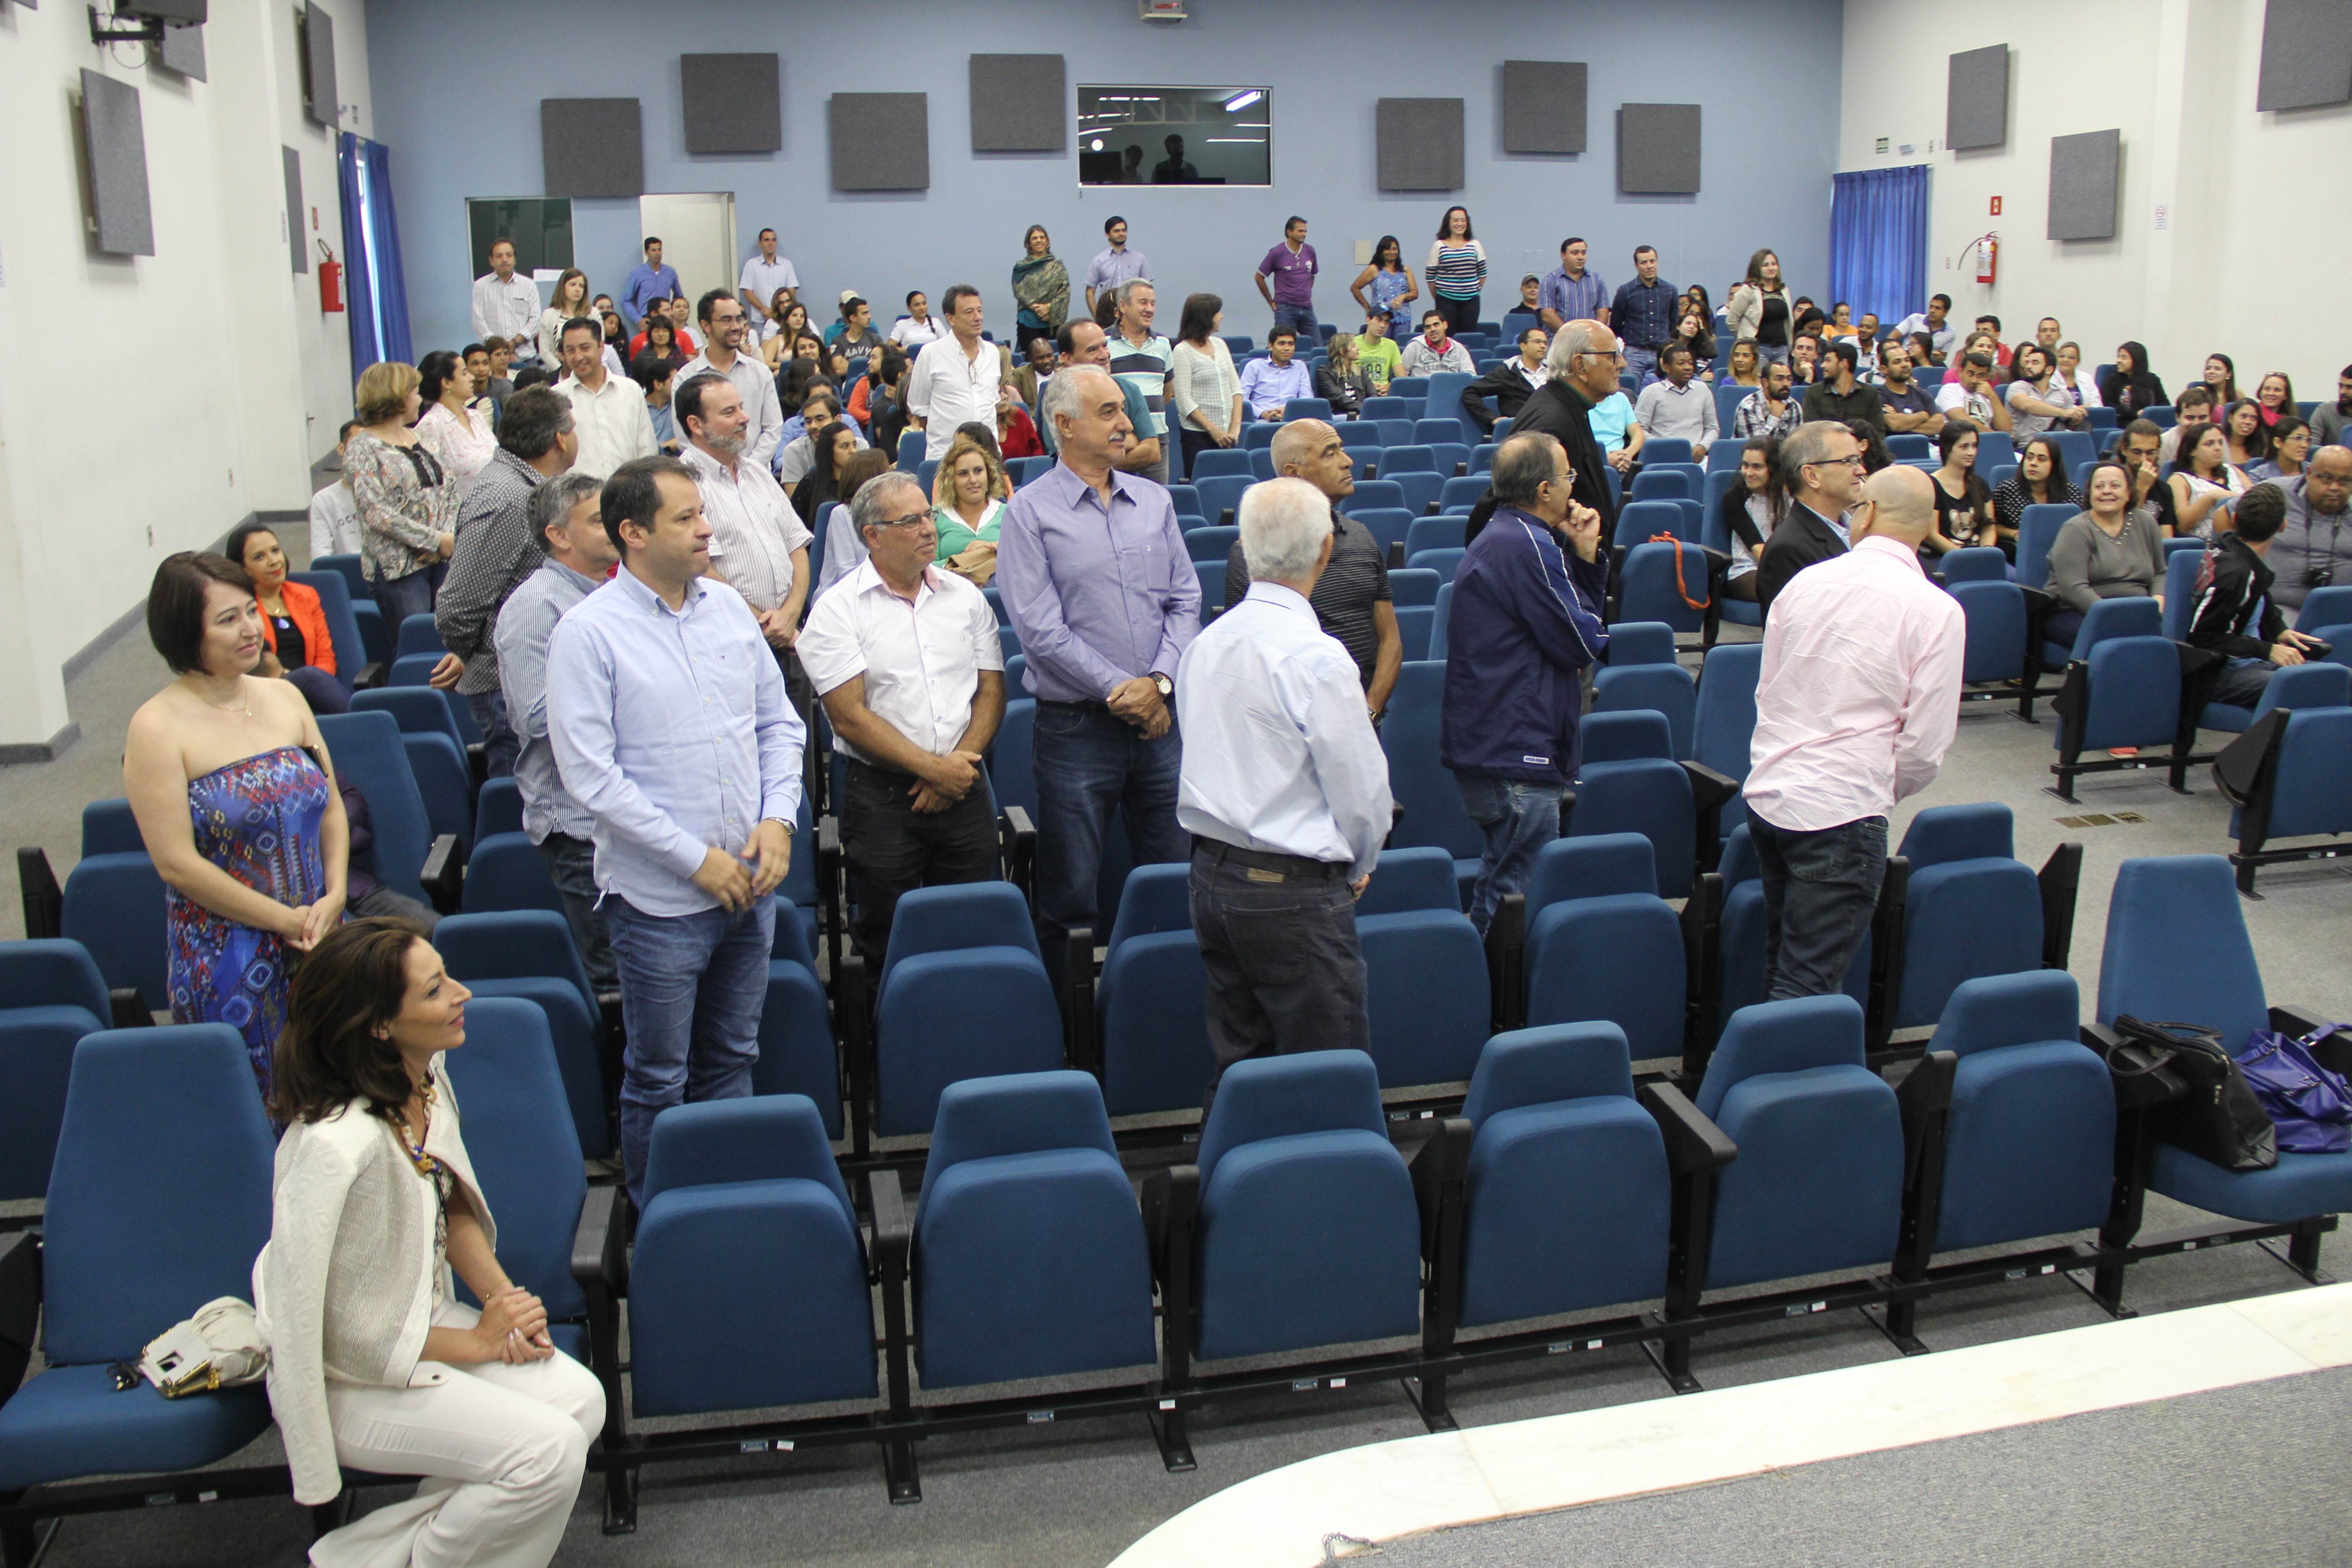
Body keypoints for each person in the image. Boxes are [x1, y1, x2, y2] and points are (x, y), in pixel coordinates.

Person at [257, 920, 603, 1568]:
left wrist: (505, 1305)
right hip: (348, 1381)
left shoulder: (424, 1080)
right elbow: (335, 1336)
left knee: (580, 1401)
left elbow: (451, 1203)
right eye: (436, 989)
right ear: (379, 1026)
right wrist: (478, 1342)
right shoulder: (334, 1147)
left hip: (421, 1325)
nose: (463, 994)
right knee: (546, 1452)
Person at [546, 456, 805, 1204]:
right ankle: (662, 1220)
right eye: (686, 518)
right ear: (633, 533)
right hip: (660, 904)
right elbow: (591, 777)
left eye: (702, 514)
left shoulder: (726, 609)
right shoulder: (588, 633)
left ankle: (728, 1207)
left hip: (749, 885)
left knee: (734, 1056)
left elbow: (779, 725)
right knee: (659, 1075)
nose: (706, 530)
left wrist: (778, 818)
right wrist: (696, 861)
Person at [1178, 477, 1390, 1092]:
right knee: (1327, 1082)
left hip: (1213, 878)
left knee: (1242, 1073)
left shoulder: (1206, 644)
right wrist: (1360, 864)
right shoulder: (1317, 658)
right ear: (1326, 549)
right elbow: (1362, 795)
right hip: (1291, 893)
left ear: (1246, 548)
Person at [999, 367, 1199, 974]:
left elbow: (1186, 601)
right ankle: (1073, 1023)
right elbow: (1039, 629)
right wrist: (1123, 690)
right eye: (1109, 411)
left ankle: (1163, 1007)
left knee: (1176, 883)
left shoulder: (1155, 501)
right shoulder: (1029, 513)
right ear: (1064, 423)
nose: (1126, 423)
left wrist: (1159, 684)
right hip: (1076, 732)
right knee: (1070, 898)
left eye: (1125, 410)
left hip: (1162, 724)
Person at [126, 552, 348, 1096]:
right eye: (228, 620)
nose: (252, 629)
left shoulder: (286, 695)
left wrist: (337, 894)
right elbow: (177, 865)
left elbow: (331, 806)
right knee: (262, 1108)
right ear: (185, 633)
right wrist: (284, 920)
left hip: (321, 932)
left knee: (342, 1094)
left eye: (251, 611)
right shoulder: (156, 727)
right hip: (228, 954)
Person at [1745, 465, 1960, 999]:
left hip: (1773, 792)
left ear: (1866, 515)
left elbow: (1768, 692)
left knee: (1782, 963)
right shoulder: (1938, 610)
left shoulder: (1805, 583)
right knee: (1805, 986)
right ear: (1928, 524)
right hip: (1843, 809)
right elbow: (1925, 746)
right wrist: (1875, 786)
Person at [798, 475, 1006, 967]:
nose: (929, 529)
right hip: (884, 799)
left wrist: (956, 767)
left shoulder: (964, 596)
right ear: (872, 535)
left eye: (928, 515)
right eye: (910, 521)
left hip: (966, 786)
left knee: (976, 931)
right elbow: (849, 718)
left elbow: (992, 690)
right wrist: (933, 771)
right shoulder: (837, 610)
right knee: (886, 942)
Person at [1440, 433, 1609, 935]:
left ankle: (1485, 978)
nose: (1574, 486)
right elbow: (1581, 642)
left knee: (1501, 880)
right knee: (1516, 892)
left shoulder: (1505, 535)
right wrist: (1586, 564)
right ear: (1544, 490)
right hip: (1516, 748)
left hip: (1499, 742)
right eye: (1568, 476)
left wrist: (1583, 556)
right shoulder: (1526, 544)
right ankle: (1499, 984)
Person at [494, 470, 620, 986]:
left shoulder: (611, 593)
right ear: (559, 535)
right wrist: (627, 697)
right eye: (599, 520)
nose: (615, 526)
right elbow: (534, 715)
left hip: (622, 816)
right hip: (579, 824)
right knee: (615, 977)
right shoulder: (536, 605)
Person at [434, 386, 579, 777]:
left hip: (528, 677)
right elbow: (458, 606)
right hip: (508, 685)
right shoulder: (507, 498)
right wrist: (469, 651)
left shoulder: (526, 489)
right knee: (523, 798)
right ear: (560, 439)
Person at [1222, 422, 1403, 719]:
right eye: (1330, 454)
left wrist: (1369, 711)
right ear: (1293, 473)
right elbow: (1247, 655)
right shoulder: (1251, 553)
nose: (1348, 461)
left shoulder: (1362, 537)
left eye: (1341, 449)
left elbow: (1390, 639)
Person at [678, 374, 815, 713]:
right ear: (696, 424)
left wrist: (790, 615)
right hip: (733, 646)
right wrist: (767, 624)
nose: (744, 418)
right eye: (729, 412)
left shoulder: (757, 472)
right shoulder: (682, 484)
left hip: (790, 638)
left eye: (741, 407)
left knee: (798, 742)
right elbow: (701, 569)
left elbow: (797, 547)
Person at [2186, 483, 2330, 708]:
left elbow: (2257, 594)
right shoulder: (2235, 574)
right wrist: (2268, 649)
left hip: (2250, 662)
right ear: (2283, 525)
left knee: (2340, 677)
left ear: (2235, 519)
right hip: (2219, 674)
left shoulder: (2237, 553)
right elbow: (2203, 638)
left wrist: (2278, 629)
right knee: (2317, 686)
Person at [346, 362, 459, 626]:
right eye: (415, 393)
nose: (420, 400)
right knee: (416, 640)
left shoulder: (424, 438)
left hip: (442, 559)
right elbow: (377, 512)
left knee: (450, 639)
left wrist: (445, 541)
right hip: (398, 568)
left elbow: (450, 493)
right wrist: (434, 541)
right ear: (396, 397)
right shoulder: (362, 447)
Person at [1504, 319, 1622, 538]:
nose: (1622, 364)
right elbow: (1531, 522)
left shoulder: (1567, 405)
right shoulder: (1550, 424)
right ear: (1581, 366)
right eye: (1612, 356)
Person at [223, 522, 347, 715]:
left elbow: (325, 657)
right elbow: (250, 666)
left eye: (275, 551)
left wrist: (314, 688)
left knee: (311, 678)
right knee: (308, 677)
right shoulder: (240, 609)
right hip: (267, 692)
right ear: (243, 569)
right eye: (259, 557)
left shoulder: (306, 595)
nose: (274, 561)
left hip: (313, 689)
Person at [2044, 459, 2167, 651]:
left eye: (2115, 486)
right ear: (2090, 494)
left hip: (2137, 609)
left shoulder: (2145, 521)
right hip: (2078, 610)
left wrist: (2157, 604)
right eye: (2099, 487)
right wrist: (2113, 616)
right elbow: (2074, 589)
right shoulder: (2075, 529)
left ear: (2129, 493)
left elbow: (2160, 572)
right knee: (2122, 639)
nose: (2107, 491)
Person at [1756, 421, 1865, 616]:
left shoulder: (1864, 529)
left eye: (1858, 460)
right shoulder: (1788, 550)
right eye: (1849, 461)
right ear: (1812, 476)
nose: (1861, 471)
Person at [1044, 316, 1166, 482]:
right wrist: (1131, 440)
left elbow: (1152, 452)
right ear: (1067, 358)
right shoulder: (1055, 395)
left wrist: (1098, 459)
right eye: (1092, 350)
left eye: (1105, 346)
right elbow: (1067, 455)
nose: (1104, 355)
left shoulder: (1130, 390)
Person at [678, 290, 785, 470]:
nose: (736, 327)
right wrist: (721, 470)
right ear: (706, 325)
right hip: (707, 477)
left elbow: (773, 428)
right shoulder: (686, 377)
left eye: (739, 319)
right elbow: (685, 438)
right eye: (727, 320)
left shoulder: (760, 373)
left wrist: (747, 468)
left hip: (755, 473)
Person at [907, 284, 1004, 464]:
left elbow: (993, 403)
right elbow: (919, 408)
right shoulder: (931, 354)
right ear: (951, 318)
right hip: (946, 458)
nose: (978, 318)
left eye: (979, 311)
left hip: (988, 459)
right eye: (969, 312)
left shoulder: (993, 353)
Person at [554, 316, 656, 482]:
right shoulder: (556, 398)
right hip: (578, 494)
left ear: (601, 347)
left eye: (585, 348)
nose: (578, 357)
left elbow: (647, 449)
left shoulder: (630, 391)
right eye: (571, 350)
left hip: (628, 491)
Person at [2263, 446, 2352, 615]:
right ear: (2309, 474)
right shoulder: (2275, 493)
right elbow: (2227, 516)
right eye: (2327, 478)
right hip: (2281, 608)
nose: (2335, 487)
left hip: (2344, 611)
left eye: (2345, 480)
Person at [1104, 279, 1174, 485]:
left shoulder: (1163, 344)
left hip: (1157, 438)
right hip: (1118, 438)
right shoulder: (1103, 343)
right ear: (1123, 306)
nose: (1149, 309)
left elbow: (1167, 394)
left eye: (1153, 304)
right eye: (1143, 302)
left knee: (1157, 500)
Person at [1171, 292, 1244, 479]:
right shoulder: (1182, 351)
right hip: (1198, 437)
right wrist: (1213, 430)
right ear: (1205, 318)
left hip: (1229, 435)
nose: (1222, 317)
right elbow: (1184, 401)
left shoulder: (1220, 345)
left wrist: (1235, 427)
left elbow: (1236, 388)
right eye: (1217, 313)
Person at [412, 351, 497, 488]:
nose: (472, 378)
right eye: (464, 373)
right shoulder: (431, 425)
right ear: (447, 383)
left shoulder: (476, 417)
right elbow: (431, 481)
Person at [1720, 436, 1787, 602]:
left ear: (1773, 468)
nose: (1749, 473)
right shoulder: (1734, 498)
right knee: (1786, 591)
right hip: (1747, 570)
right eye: (1745, 465)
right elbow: (1757, 548)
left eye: (1757, 467)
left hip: (1786, 567)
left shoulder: (1790, 496)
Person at [931, 432, 1010, 572]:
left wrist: (993, 551)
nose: (973, 480)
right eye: (963, 474)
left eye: (978, 471)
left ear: (989, 475)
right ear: (951, 480)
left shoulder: (1009, 513)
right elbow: (925, 568)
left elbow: (1024, 560)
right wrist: (965, 559)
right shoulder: (934, 517)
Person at [1990, 433, 2080, 557]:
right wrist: (2014, 534)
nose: (2033, 463)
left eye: (2041, 459)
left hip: (2064, 552)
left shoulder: (2071, 492)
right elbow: (1990, 526)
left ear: (2054, 465)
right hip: (2018, 553)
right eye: (2029, 458)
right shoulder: (2006, 490)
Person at [1636, 343, 1720, 461]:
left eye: (1690, 363)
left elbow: (1713, 428)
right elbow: (1639, 430)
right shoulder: (1651, 392)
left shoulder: (1703, 389)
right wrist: (1666, 447)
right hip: (1661, 455)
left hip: (1696, 457)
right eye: (1681, 364)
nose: (1688, 367)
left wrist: (1703, 446)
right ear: (1666, 367)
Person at [1926, 418, 1997, 557]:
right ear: (1948, 449)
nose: (1971, 452)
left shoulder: (1981, 484)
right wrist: (1964, 558)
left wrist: (1986, 551)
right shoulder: (1931, 485)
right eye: (1964, 447)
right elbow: (1932, 535)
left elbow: (1989, 527)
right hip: (1948, 557)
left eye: (1974, 446)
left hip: (1979, 555)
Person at [1462, 326, 1549, 435]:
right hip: (1520, 432)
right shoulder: (1506, 373)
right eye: (1537, 342)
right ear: (1523, 346)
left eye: (1545, 343)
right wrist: (1491, 418)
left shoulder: (1555, 373)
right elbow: (1470, 393)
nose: (1543, 346)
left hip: (1551, 428)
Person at [1609, 246, 1676, 386]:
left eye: (1652, 261)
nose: (1649, 266)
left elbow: (1673, 322)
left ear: (1657, 262)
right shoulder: (1625, 291)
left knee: (1662, 391)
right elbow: (1616, 324)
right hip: (1634, 353)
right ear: (1636, 266)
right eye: (1644, 263)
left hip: (1661, 352)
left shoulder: (1670, 290)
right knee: (1630, 390)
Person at [470, 240, 542, 366]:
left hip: (526, 357)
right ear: (491, 261)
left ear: (515, 259)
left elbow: (535, 320)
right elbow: (479, 322)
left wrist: (515, 343)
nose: (505, 260)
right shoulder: (481, 286)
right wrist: (500, 348)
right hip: (494, 359)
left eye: (509, 255)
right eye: (499, 256)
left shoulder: (528, 285)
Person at [2171, 423, 2249, 536]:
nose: (2218, 448)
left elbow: (2257, 499)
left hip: (2244, 537)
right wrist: (2210, 497)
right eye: (2209, 444)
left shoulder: (2232, 470)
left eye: (2220, 443)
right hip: (2205, 542)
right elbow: (2182, 525)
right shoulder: (2179, 480)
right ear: (2192, 451)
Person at [1255, 216, 1321, 346]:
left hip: (1307, 307)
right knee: (1285, 345)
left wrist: (1305, 291)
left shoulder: (1310, 251)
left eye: (1305, 231)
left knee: (1317, 346)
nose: (1304, 234)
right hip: (1285, 308)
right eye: (1300, 231)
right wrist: (1271, 302)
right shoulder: (1277, 252)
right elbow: (1259, 277)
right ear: (1290, 232)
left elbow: (1312, 275)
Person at [1726, 248, 1797, 367]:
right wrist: (1744, 339)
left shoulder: (1784, 291)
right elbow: (1732, 321)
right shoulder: (1748, 290)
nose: (1771, 268)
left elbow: (1789, 321)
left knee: (1780, 378)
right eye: (1765, 265)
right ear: (1757, 268)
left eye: (1774, 264)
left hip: (1782, 348)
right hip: (1759, 348)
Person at [2004, 344, 2090, 439]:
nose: (2028, 366)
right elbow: (2026, 405)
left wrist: (2076, 417)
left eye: (2035, 363)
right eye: (2028, 362)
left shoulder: (2063, 394)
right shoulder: (2018, 387)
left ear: (2049, 370)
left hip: (2056, 445)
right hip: (2025, 445)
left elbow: (2071, 420)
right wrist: (2063, 413)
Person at [2116, 418, 2184, 539]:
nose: (2144, 460)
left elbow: (2166, 538)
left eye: (2150, 453)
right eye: (2137, 452)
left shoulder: (2164, 490)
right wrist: (2141, 489)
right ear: (2124, 450)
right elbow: (2126, 534)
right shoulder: (2112, 486)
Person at [1425, 206, 1487, 335]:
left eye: (1463, 220)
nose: (1460, 224)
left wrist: (1471, 290)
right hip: (1445, 300)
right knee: (1448, 337)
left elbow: (1482, 274)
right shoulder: (1439, 246)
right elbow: (1430, 278)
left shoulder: (1475, 245)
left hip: (1471, 300)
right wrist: (1440, 296)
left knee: (1468, 337)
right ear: (1448, 223)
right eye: (1456, 220)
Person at [1801, 340, 1885, 434]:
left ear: (1843, 363)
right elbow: (1811, 433)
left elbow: (1878, 432)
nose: (1823, 365)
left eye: (1828, 361)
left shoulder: (1870, 394)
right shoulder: (1814, 392)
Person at [1348, 234, 1420, 341]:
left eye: (1395, 249)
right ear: (1381, 251)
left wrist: (1403, 297)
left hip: (1402, 319)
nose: (1392, 252)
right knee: (1381, 345)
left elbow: (1415, 293)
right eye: (1388, 249)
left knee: (1401, 346)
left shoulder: (1405, 270)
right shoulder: (1374, 269)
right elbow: (1355, 288)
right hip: (1380, 318)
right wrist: (1367, 307)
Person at [1011, 225, 1069, 354]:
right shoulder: (1021, 268)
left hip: (1052, 322)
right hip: (1028, 322)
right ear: (1029, 244)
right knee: (1032, 358)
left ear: (1047, 241)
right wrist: (1038, 308)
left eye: (1042, 238)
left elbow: (1065, 291)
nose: (1039, 241)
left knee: (1052, 358)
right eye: (1034, 238)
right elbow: (1019, 290)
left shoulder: (1057, 266)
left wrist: (1049, 307)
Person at [310, 420, 364, 557]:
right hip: (346, 568)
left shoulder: (391, 493)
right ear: (341, 449)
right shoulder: (324, 500)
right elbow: (320, 552)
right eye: (358, 445)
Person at [1239, 325, 1312, 420]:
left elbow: (1307, 397)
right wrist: (1262, 414)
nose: (1287, 348)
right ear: (1271, 346)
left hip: (1292, 418)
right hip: (1261, 419)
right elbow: (1242, 399)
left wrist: (1288, 410)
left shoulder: (1300, 366)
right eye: (1282, 344)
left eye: (1291, 344)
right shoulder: (1254, 366)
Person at [1537, 236, 1609, 332]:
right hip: (1559, 337)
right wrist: (1571, 335)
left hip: (1590, 337)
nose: (1580, 257)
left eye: (1583, 253)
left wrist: (1595, 333)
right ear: (1563, 256)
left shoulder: (1596, 279)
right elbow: (1547, 316)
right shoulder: (1551, 280)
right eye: (1575, 253)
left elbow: (1603, 312)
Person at [1084, 216, 1151, 319]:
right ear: (1108, 234)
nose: (1121, 234)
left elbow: (1148, 289)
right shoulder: (1099, 261)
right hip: (1108, 311)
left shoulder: (1139, 259)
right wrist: (1098, 318)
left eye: (1124, 230)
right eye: (1117, 231)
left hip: (1133, 310)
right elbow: (1090, 292)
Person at [1875, 342, 1944, 436]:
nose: (1904, 365)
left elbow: (1939, 425)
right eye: (1897, 362)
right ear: (1884, 369)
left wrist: (1904, 423)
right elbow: (1894, 424)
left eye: (1907, 360)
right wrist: (1924, 415)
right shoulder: (1878, 395)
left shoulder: (1923, 394)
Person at [1934, 351, 2012, 432]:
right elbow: (1963, 421)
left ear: (1987, 377)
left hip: (1986, 438)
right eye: (1970, 374)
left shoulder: (1987, 396)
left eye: (1981, 376)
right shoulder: (1950, 390)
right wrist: (1993, 436)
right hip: (1959, 437)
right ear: (1961, 372)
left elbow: (2006, 430)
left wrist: (1993, 397)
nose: (1974, 380)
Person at [534, 268, 594, 370]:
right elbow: (545, 351)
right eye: (573, 285)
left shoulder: (593, 314)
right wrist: (562, 371)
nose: (578, 289)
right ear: (563, 287)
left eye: (581, 286)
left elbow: (599, 346)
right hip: (558, 371)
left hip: (587, 370)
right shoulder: (549, 315)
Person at [739, 227, 798, 329]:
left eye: (773, 240)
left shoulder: (786, 265)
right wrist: (765, 310)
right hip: (761, 319)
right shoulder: (751, 265)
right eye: (767, 240)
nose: (771, 243)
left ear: (776, 243)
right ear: (760, 243)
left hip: (783, 319)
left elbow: (791, 291)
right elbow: (748, 293)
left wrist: (777, 311)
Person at [1733, 357, 1804, 442]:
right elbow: (1756, 446)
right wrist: (1775, 417)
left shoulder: (1793, 406)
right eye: (1779, 379)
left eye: (1789, 379)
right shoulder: (1748, 407)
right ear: (1765, 383)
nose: (1786, 384)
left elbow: (1795, 444)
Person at [620, 236, 682, 326]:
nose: (658, 253)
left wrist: (674, 313)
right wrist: (638, 320)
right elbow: (625, 300)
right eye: (654, 250)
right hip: (648, 320)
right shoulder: (637, 273)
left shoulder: (670, 272)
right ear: (646, 253)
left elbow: (679, 296)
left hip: (667, 320)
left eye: (659, 250)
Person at [2097, 341, 2169, 421]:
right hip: (2124, 423)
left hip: (2151, 422)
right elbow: (2107, 405)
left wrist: (2151, 413)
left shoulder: (2153, 380)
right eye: (2119, 357)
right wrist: (2135, 413)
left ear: (2137, 360)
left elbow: (2165, 404)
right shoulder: (2112, 380)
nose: (2119, 361)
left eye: (2124, 358)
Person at [824, 293, 885, 382]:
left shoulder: (875, 339)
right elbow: (839, 370)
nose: (870, 317)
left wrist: (850, 364)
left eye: (869, 313)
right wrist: (869, 364)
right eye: (864, 314)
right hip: (847, 383)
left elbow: (881, 364)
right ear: (853, 318)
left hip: (872, 382)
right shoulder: (837, 342)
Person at [1398, 309, 1474, 377]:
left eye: (1436, 325)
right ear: (1425, 330)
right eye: (1428, 327)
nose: (1433, 329)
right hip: (1423, 389)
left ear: (1445, 325)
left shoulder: (1459, 349)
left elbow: (1470, 376)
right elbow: (1401, 375)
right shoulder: (1414, 347)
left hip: (1452, 388)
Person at [1317, 331, 1375, 417]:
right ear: (1343, 351)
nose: (1358, 348)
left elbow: (1372, 393)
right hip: (1340, 416)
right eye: (1354, 346)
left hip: (1363, 413)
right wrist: (1365, 410)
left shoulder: (1360, 370)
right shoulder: (1324, 372)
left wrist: (1370, 409)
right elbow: (1338, 398)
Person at [2157, 386, 2217, 466]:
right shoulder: (2165, 443)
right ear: (2178, 417)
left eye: (2202, 417)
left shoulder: (2218, 438)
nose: (2196, 423)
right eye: (2190, 418)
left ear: (2211, 417)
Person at [633, 352, 680, 455]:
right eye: (673, 382)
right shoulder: (636, 407)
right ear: (658, 384)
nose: (679, 385)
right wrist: (666, 447)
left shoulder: (680, 405)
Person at [1893, 295, 1957, 365]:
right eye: (1931, 307)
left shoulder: (1950, 333)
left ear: (1946, 312)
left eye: (1937, 308)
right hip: (1906, 359)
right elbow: (1892, 338)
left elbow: (1943, 357)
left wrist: (1940, 357)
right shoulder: (1915, 318)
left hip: (1927, 363)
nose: (1932, 311)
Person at [2250, 416, 2312, 483]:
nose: (2305, 445)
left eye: (2308, 440)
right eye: (2298, 438)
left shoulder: (2315, 473)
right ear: (2278, 442)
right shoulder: (2259, 477)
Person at [1354, 309, 1402, 391]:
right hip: (1360, 391)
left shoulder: (1391, 345)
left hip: (1384, 393)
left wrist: (1389, 387)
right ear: (1368, 320)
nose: (1383, 325)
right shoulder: (1353, 344)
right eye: (1379, 320)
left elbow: (1402, 377)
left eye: (1387, 322)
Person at [2050, 341, 2103, 411]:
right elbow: (2054, 404)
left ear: (2078, 361)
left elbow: (2098, 404)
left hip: (2087, 415)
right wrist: (2078, 409)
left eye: (2071, 358)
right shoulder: (2050, 379)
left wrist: (2088, 408)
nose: (2066, 360)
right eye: (2062, 356)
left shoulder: (2086, 377)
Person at [2222, 399, 2271, 473]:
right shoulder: (2219, 445)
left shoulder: (2263, 450)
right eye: (2243, 416)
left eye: (2253, 418)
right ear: (2231, 418)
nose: (2248, 422)